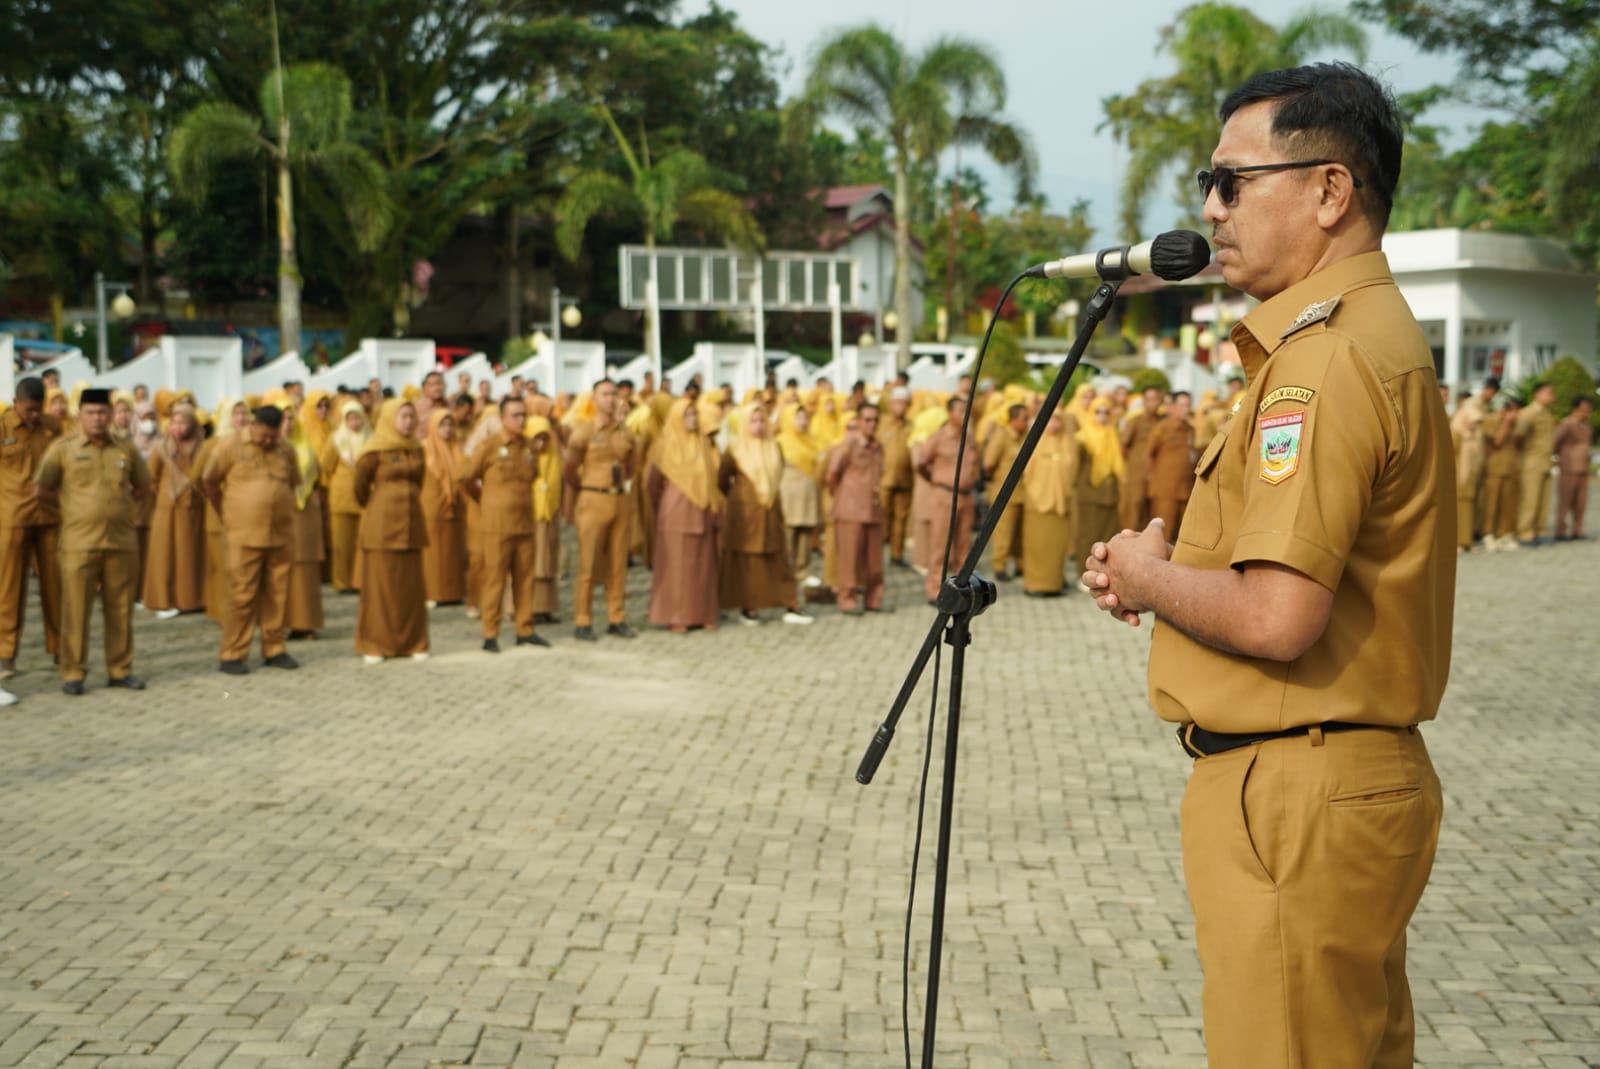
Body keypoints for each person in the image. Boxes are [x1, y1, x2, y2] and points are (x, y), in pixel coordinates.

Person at [1083, 63, 1451, 1068]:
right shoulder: (1342, 338)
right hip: (1322, 782)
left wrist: (1148, 574)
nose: (1210, 207)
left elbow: (1278, 615)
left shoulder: (1324, 360)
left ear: (1330, 191)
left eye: (1232, 182)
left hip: (1298, 788)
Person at [33, 388, 152, 694]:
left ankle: (120, 669)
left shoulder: (125, 449)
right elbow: (42, 490)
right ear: (80, 415)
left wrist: (116, 510)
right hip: (78, 543)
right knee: (75, 610)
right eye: (91, 413)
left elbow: (142, 487)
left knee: (121, 609)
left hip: (121, 543)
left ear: (111, 415)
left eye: (102, 412)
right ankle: (73, 673)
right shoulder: (63, 448)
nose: (98, 419)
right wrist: (72, 511)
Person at [203, 406, 300, 675]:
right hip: (243, 535)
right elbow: (209, 481)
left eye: (273, 436)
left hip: (280, 534)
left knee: (278, 594)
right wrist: (226, 512)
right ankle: (233, 653)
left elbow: (292, 484)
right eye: (264, 435)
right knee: (242, 594)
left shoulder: (286, 449)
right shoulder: (230, 446)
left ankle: (274, 648)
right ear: (254, 425)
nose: (268, 441)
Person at [461, 396, 548, 651]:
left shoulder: (529, 447)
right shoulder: (489, 446)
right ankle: (490, 633)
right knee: (494, 580)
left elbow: (533, 478)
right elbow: (468, 479)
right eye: (515, 415)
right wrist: (487, 502)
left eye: (524, 415)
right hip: (497, 526)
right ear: (502, 419)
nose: (521, 420)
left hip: (524, 523)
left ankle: (525, 629)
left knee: (524, 579)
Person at [353, 398, 430, 662]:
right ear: (388, 419)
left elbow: (420, 481)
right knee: (380, 588)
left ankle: (413, 643)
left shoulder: (417, 449)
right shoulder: (374, 450)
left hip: (411, 524)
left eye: (411, 417)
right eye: (403, 417)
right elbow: (359, 487)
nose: (408, 422)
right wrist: (377, 505)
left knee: (410, 588)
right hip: (382, 525)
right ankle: (376, 644)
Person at [719, 404, 809, 625]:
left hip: (771, 511)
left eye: (761, 421)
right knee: (748, 561)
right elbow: (722, 481)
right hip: (745, 514)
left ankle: (790, 603)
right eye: (753, 421)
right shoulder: (735, 448)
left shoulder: (774, 446)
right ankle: (748, 607)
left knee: (778, 557)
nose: (758, 426)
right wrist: (742, 497)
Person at [0, 376, 63, 682]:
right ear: (16, 403)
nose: (34, 415)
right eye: (29, 410)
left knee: (56, 587)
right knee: (9, 590)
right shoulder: (2, 427)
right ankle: (5, 654)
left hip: (50, 517)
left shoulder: (53, 426)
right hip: (12, 521)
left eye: (38, 409)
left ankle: (61, 648)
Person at [564, 379, 636, 640]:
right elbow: (570, 469)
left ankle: (616, 617)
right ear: (594, 399)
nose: (610, 398)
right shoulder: (583, 432)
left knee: (618, 564)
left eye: (613, 394)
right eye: (604, 394)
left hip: (620, 500)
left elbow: (632, 465)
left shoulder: (626, 433)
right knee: (588, 564)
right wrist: (587, 488)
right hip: (593, 499)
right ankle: (583, 619)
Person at [646, 398, 723, 632]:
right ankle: (677, 615)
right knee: (678, 567)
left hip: (702, 508)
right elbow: (653, 484)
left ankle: (703, 613)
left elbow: (711, 477)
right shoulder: (665, 445)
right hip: (676, 511)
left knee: (703, 565)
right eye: (687, 415)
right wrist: (667, 504)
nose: (692, 420)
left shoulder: (702, 443)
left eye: (694, 415)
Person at [141, 401, 207, 617]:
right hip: (166, 509)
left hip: (193, 510)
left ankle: (190, 599)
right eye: (174, 422)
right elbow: (151, 478)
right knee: (164, 555)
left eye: (183, 422)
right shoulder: (161, 447)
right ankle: (163, 599)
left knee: (188, 555)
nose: (178, 427)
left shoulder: (201, 447)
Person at [915, 396, 981, 603]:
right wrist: (938, 481)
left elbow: (976, 463)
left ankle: (961, 589)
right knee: (941, 546)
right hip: (945, 495)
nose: (964, 415)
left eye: (966, 410)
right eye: (960, 410)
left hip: (966, 496)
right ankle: (934, 589)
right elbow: (922, 463)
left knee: (964, 546)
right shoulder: (939, 438)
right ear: (950, 413)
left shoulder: (970, 438)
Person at [825, 402, 887, 614]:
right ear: (859, 421)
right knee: (849, 560)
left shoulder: (878, 447)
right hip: (850, 510)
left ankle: (874, 598)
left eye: (876, 420)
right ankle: (847, 599)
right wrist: (845, 497)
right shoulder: (849, 445)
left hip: (873, 509)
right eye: (868, 419)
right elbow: (832, 476)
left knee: (875, 562)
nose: (872, 424)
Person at [1019, 410, 1078, 595]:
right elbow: (1025, 471)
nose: (1053, 425)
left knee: (1056, 547)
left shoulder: (1067, 442)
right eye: (1050, 420)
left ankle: (1054, 583)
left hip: (1060, 503)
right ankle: (1035, 584)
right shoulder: (1033, 442)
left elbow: (1073, 468)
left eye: (1057, 420)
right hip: (1038, 502)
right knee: (1037, 545)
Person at [279, 402, 325, 639]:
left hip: (304, 512)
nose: (287, 424)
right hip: (279, 514)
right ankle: (282, 622)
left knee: (305, 569)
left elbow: (315, 478)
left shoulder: (305, 447)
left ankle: (306, 623)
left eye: (290, 419)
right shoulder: (269, 449)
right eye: (282, 419)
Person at [420, 410, 467, 606]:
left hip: (455, 506)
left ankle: (453, 592)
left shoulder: (457, 448)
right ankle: (433, 593)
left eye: (450, 425)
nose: (447, 429)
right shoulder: (425, 448)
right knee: (433, 553)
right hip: (432, 506)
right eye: (442, 425)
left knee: (453, 552)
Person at [323, 399, 369, 592]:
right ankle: (341, 582)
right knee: (341, 543)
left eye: (357, 418)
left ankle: (359, 580)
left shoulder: (370, 438)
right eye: (350, 418)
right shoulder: (336, 439)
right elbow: (326, 464)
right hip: (341, 496)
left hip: (363, 496)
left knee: (361, 542)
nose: (354, 422)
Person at [776, 404, 823, 585]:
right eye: (798, 418)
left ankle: (802, 570)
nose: (802, 422)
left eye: (805, 418)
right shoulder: (781, 442)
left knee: (805, 535)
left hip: (808, 495)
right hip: (789, 496)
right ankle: (785, 571)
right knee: (788, 536)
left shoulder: (810, 441)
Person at [524, 411, 564, 623]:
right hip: (531, 517)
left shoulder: (554, 458)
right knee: (533, 563)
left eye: (544, 438)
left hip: (549, 518)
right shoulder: (524, 458)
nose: (540, 443)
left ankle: (546, 607)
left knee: (548, 563)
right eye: (536, 438)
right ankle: (527, 608)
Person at [982, 404, 1028, 580]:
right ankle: (999, 567)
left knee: (1019, 534)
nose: (1026, 422)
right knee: (1003, 533)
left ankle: (1020, 565)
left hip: (1023, 493)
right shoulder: (1001, 436)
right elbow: (988, 463)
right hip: (1005, 495)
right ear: (1013, 419)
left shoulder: (1026, 436)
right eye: (1023, 418)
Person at [1146, 391, 1196, 534]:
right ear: (1172, 406)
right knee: (1163, 531)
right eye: (1182, 405)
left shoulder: (1190, 429)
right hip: (1165, 490)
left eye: (1188, 405)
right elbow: (1149, 454)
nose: (1186, 409)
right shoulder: (1162, 428)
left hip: (1185, 489)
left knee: (1184, 533)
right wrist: (1153, 480)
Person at [1514, 382, 1557, 545]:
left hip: (1545, 460)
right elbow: (1518, 436)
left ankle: (1539, 530)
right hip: (1531, 460)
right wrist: (1521, 453)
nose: (1552, 396)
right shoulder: (1528, 413)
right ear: (1537, 394)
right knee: (1530, 499)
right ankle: (1525, 532)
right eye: (1548, 392)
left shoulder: (1547, 414)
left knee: (1543, 499)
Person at [878, 386, 915, 566]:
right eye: (898, 403)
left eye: (904, 403)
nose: (901, 407)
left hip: (905, 479)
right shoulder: (881, 423)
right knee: (882, 516)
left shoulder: (911, 426)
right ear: (891, 404)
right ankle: (876, 551)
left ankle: (897, 554)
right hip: (884, 479)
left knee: (901, 518)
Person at [1118, 386, 1164, 530]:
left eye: (1156, 399)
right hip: (1137, 474)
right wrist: (1134, 462)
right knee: (1134, 508)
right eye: (1149, 400)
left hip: (1156, 474)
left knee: (1151, 512)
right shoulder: (1135, 421)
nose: (1153, 403)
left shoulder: (1162, 422)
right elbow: (1123, 446)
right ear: (1144, 402)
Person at [1480, 399, 1521, 550]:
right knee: (1492, 503)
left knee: (1508, 504)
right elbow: (1497, 441)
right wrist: (1507, 423)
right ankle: (1488, 534)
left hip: (1510, 468)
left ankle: (1504, 534)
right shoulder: (1490, 420)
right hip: (1494, 468)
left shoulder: (1513, 422)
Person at [1553, 397, 1593, 540]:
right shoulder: (1567, 424)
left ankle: (1578, 529)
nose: (1586, 412)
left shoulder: (1587, 424)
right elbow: (1556, 442)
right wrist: (1561, 457)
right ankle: (1560, 530)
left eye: (1588, 409)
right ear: (1575, 409)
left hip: (1583, 466)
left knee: (1581, 501)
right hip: (1569, 465)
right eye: (1584, 409)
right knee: (1566, 499)